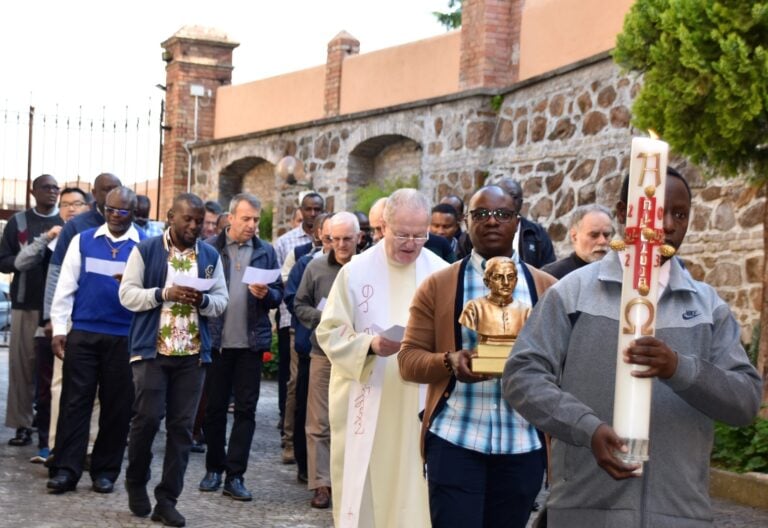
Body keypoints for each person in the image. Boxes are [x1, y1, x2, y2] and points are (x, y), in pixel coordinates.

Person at [503, 168, 762, 527]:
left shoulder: (708, 307)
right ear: (624, 213)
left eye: (680, 214)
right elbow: (521, 376)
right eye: (656, 211)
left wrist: (678, 368)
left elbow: (745, 402)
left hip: (680, 514)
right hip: (586, 510)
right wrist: (586, 427)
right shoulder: (572, 293)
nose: (668, 225)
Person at [399, 186, 555, 528]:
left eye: (502, 214)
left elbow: (565, 365)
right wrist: (449, 362)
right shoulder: (438, 286)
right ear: (466, 222)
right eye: (481, 214)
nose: (492, 221)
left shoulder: (546, 288)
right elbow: (408, 361)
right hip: (457, 438)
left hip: (522, 443)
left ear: (518, 223)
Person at [315, 188, 448, 527]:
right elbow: (329, 331)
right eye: (403, 233)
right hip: (370, 397)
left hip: (421, 404)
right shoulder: (355, 272)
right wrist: (369, 346)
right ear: (383, 227)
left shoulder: (442, 274)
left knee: (415, 491)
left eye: (421, 235)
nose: (411, 243)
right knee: (370, 492)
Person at [119, 193, 228, 526]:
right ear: (170, 217)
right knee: (147, 420)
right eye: (188, 220)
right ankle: (136, 481)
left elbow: (222, 299)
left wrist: (204, 301)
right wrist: (163, 293)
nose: (194, 226)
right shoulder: (147, 250)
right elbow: (126, 294)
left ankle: (167, 499)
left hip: (192, 355)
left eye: (199, 221)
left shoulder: (209, 254)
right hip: (152, 352)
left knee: (181, 429)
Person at [46, 187, 146, 494]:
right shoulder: (83, 240)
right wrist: (60, 327)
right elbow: (66, 286)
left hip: (125, 337)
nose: (116, 216)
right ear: (102, 209)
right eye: (110, 210)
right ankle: (66, 468)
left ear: (134, 213)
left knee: (117, 407)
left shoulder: (147, 244)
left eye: (123, 211)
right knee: (75, 402)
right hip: (85, 333)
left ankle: (105, 471)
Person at [198, 193, 283, 501]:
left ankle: (236, 476)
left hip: (250, 345)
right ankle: (213, 469)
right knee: (214, 410)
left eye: (256, 220)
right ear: (230, 218)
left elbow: (278, 295)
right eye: (246, 218)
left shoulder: (265, 252)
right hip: (217, 343)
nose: (251, 225)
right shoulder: (210, 250)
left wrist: (267, 295)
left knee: (246, 411)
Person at [42, 173, 121, 467]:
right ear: (94, 195)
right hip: (78, 322)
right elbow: (58, 275)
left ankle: (90, 450)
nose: (111, 195)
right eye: (105, 190)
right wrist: (53, 319)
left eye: (115, 189)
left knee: (103, 394)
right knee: (65, 388)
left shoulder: (133, 231)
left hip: (114, 328)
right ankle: (56, 447)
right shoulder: (77, 227)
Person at [12, 186, 89, 462]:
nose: (70, 209)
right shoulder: (54, 238)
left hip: (82, 321)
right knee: (47, 387)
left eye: (77, 203)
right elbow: (21, 262)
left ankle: (82, 447)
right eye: (66, 204)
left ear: (87, 208)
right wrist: (45, 238)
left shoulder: (92, 238)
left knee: (81, 389)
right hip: (50, 322)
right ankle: (48, 444)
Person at [294, 212, 360, 509]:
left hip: (359, 355)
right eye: (336, 239)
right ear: (327, 238)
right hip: (323, 353)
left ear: (359, 238)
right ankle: (321, 484)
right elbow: (299, 304)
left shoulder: (367, 268)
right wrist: (326, 319)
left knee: (353, 420)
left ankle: (350, 481)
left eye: (348, 238)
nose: (342, 244)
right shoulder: (316, 267)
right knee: (318, 422)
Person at [0, 174, 63, 447]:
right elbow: (3, 262)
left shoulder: (67, 223)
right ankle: (22, 424)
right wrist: (24, 260)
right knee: (22, 368)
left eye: (55, 188)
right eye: (46, 187)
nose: (52, 192)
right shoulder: (19, 222)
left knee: (53, 370)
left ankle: (50, 422)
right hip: (26, 304)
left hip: (58, 307)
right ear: (33, 191)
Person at [274, 192, 324, 464]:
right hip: (295, 325)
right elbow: (286, 287)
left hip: (330, 333)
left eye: (318, 209)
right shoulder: (292, 248)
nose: (313, 213)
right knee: (294, 383)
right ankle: (290, 439)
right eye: (309, 209)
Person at [284, 213, 333, 487]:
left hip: (344, 350)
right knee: (305, 406)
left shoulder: (357, 266)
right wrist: (320, 315)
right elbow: (293, 298)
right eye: (328, 239)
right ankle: (306, 467)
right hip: (309, 345)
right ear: (319, 236)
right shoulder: (306, 264)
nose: (334, 244)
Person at [542, 204, 613, 279]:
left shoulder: (619, 273)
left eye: (606, 235)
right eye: (594, 235)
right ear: (574, 237)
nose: (602, 241)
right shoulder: (552, 276)